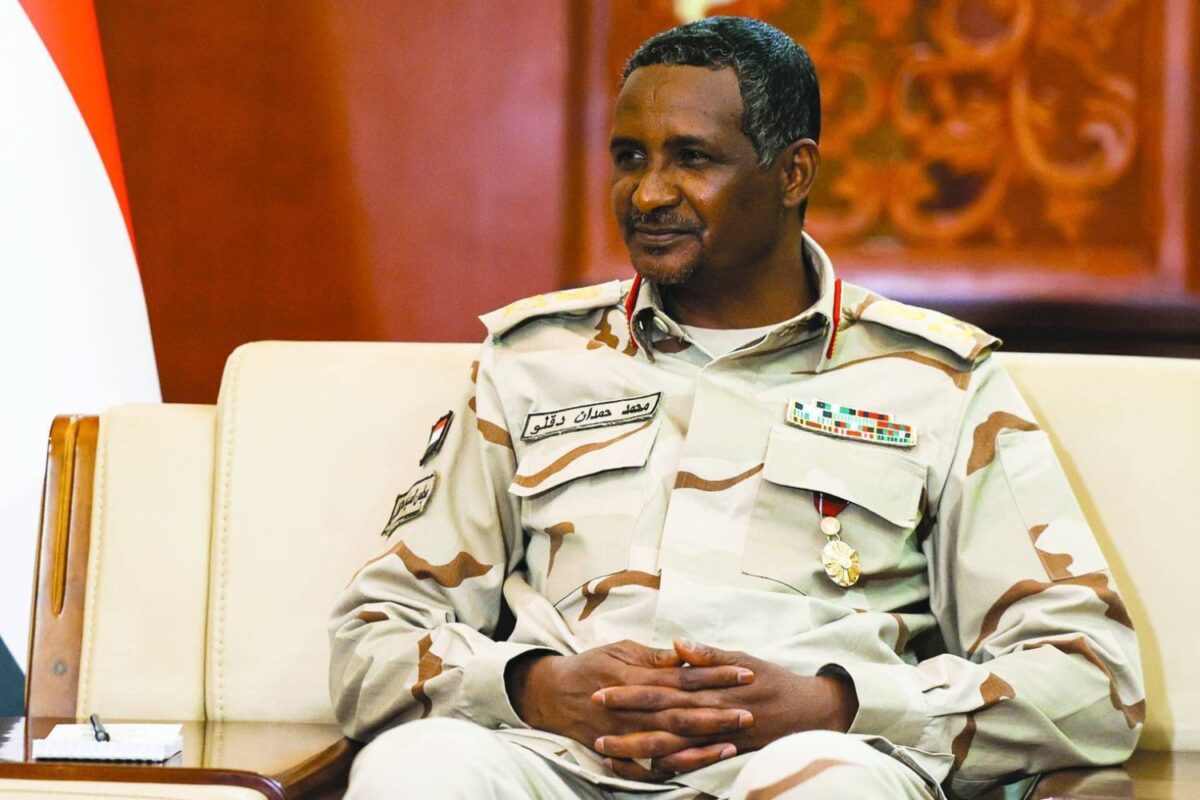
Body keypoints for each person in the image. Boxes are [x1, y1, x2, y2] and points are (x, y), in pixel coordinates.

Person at [329, 17, 1143, 800]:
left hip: (813, 764)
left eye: (692, 158)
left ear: (793, 174)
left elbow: (1090, 677)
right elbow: (374, 639)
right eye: (629, 157)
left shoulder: (937, 381)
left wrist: (838, 705)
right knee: (416, 769)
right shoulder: (531, 362)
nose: (648, 193)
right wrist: (536, 688)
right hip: (553, 762)